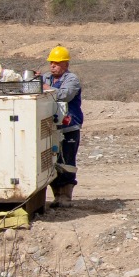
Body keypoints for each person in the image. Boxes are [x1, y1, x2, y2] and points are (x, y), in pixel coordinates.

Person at [42, 45, 83, 207]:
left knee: (67, 160)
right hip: (51, 128)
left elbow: (64, 95)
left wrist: (46, 88)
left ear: (66, 64)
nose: (53, 66)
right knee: (52, 161)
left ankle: (65, 196)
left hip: (69, 127)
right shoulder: (46, 78)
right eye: (52, 63)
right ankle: (56, 195)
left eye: (57, 63)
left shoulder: (71, 80)